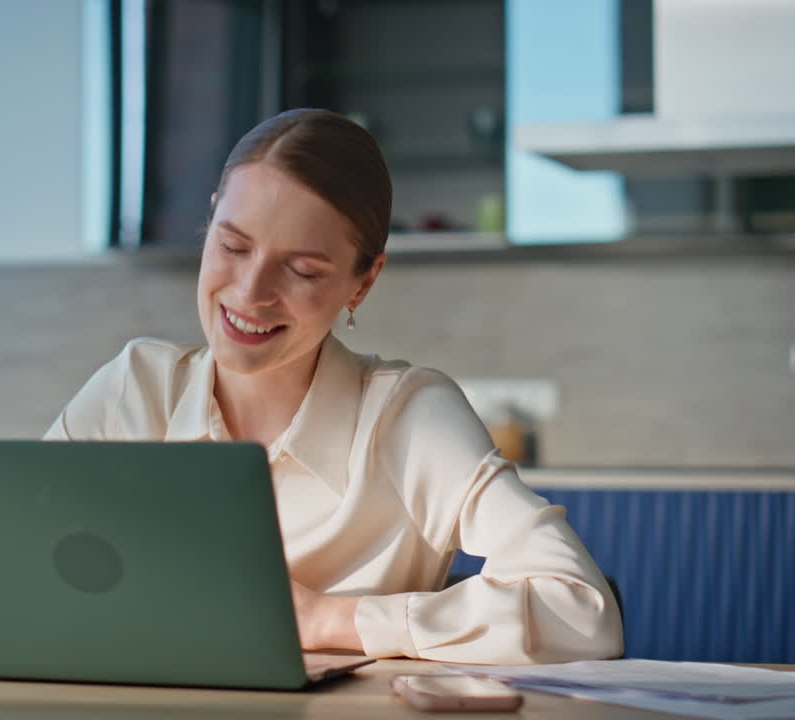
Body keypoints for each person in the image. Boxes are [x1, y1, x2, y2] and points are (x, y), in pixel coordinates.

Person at [43, 108, 624, 664]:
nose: (249, 292)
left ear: (362, 281)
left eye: (302, 270)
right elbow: (10, 566)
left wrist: (327, 620)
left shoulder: (409, 417)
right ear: (213, 216)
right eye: (233, 246)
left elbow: (585, 613)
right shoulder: (136, 389)